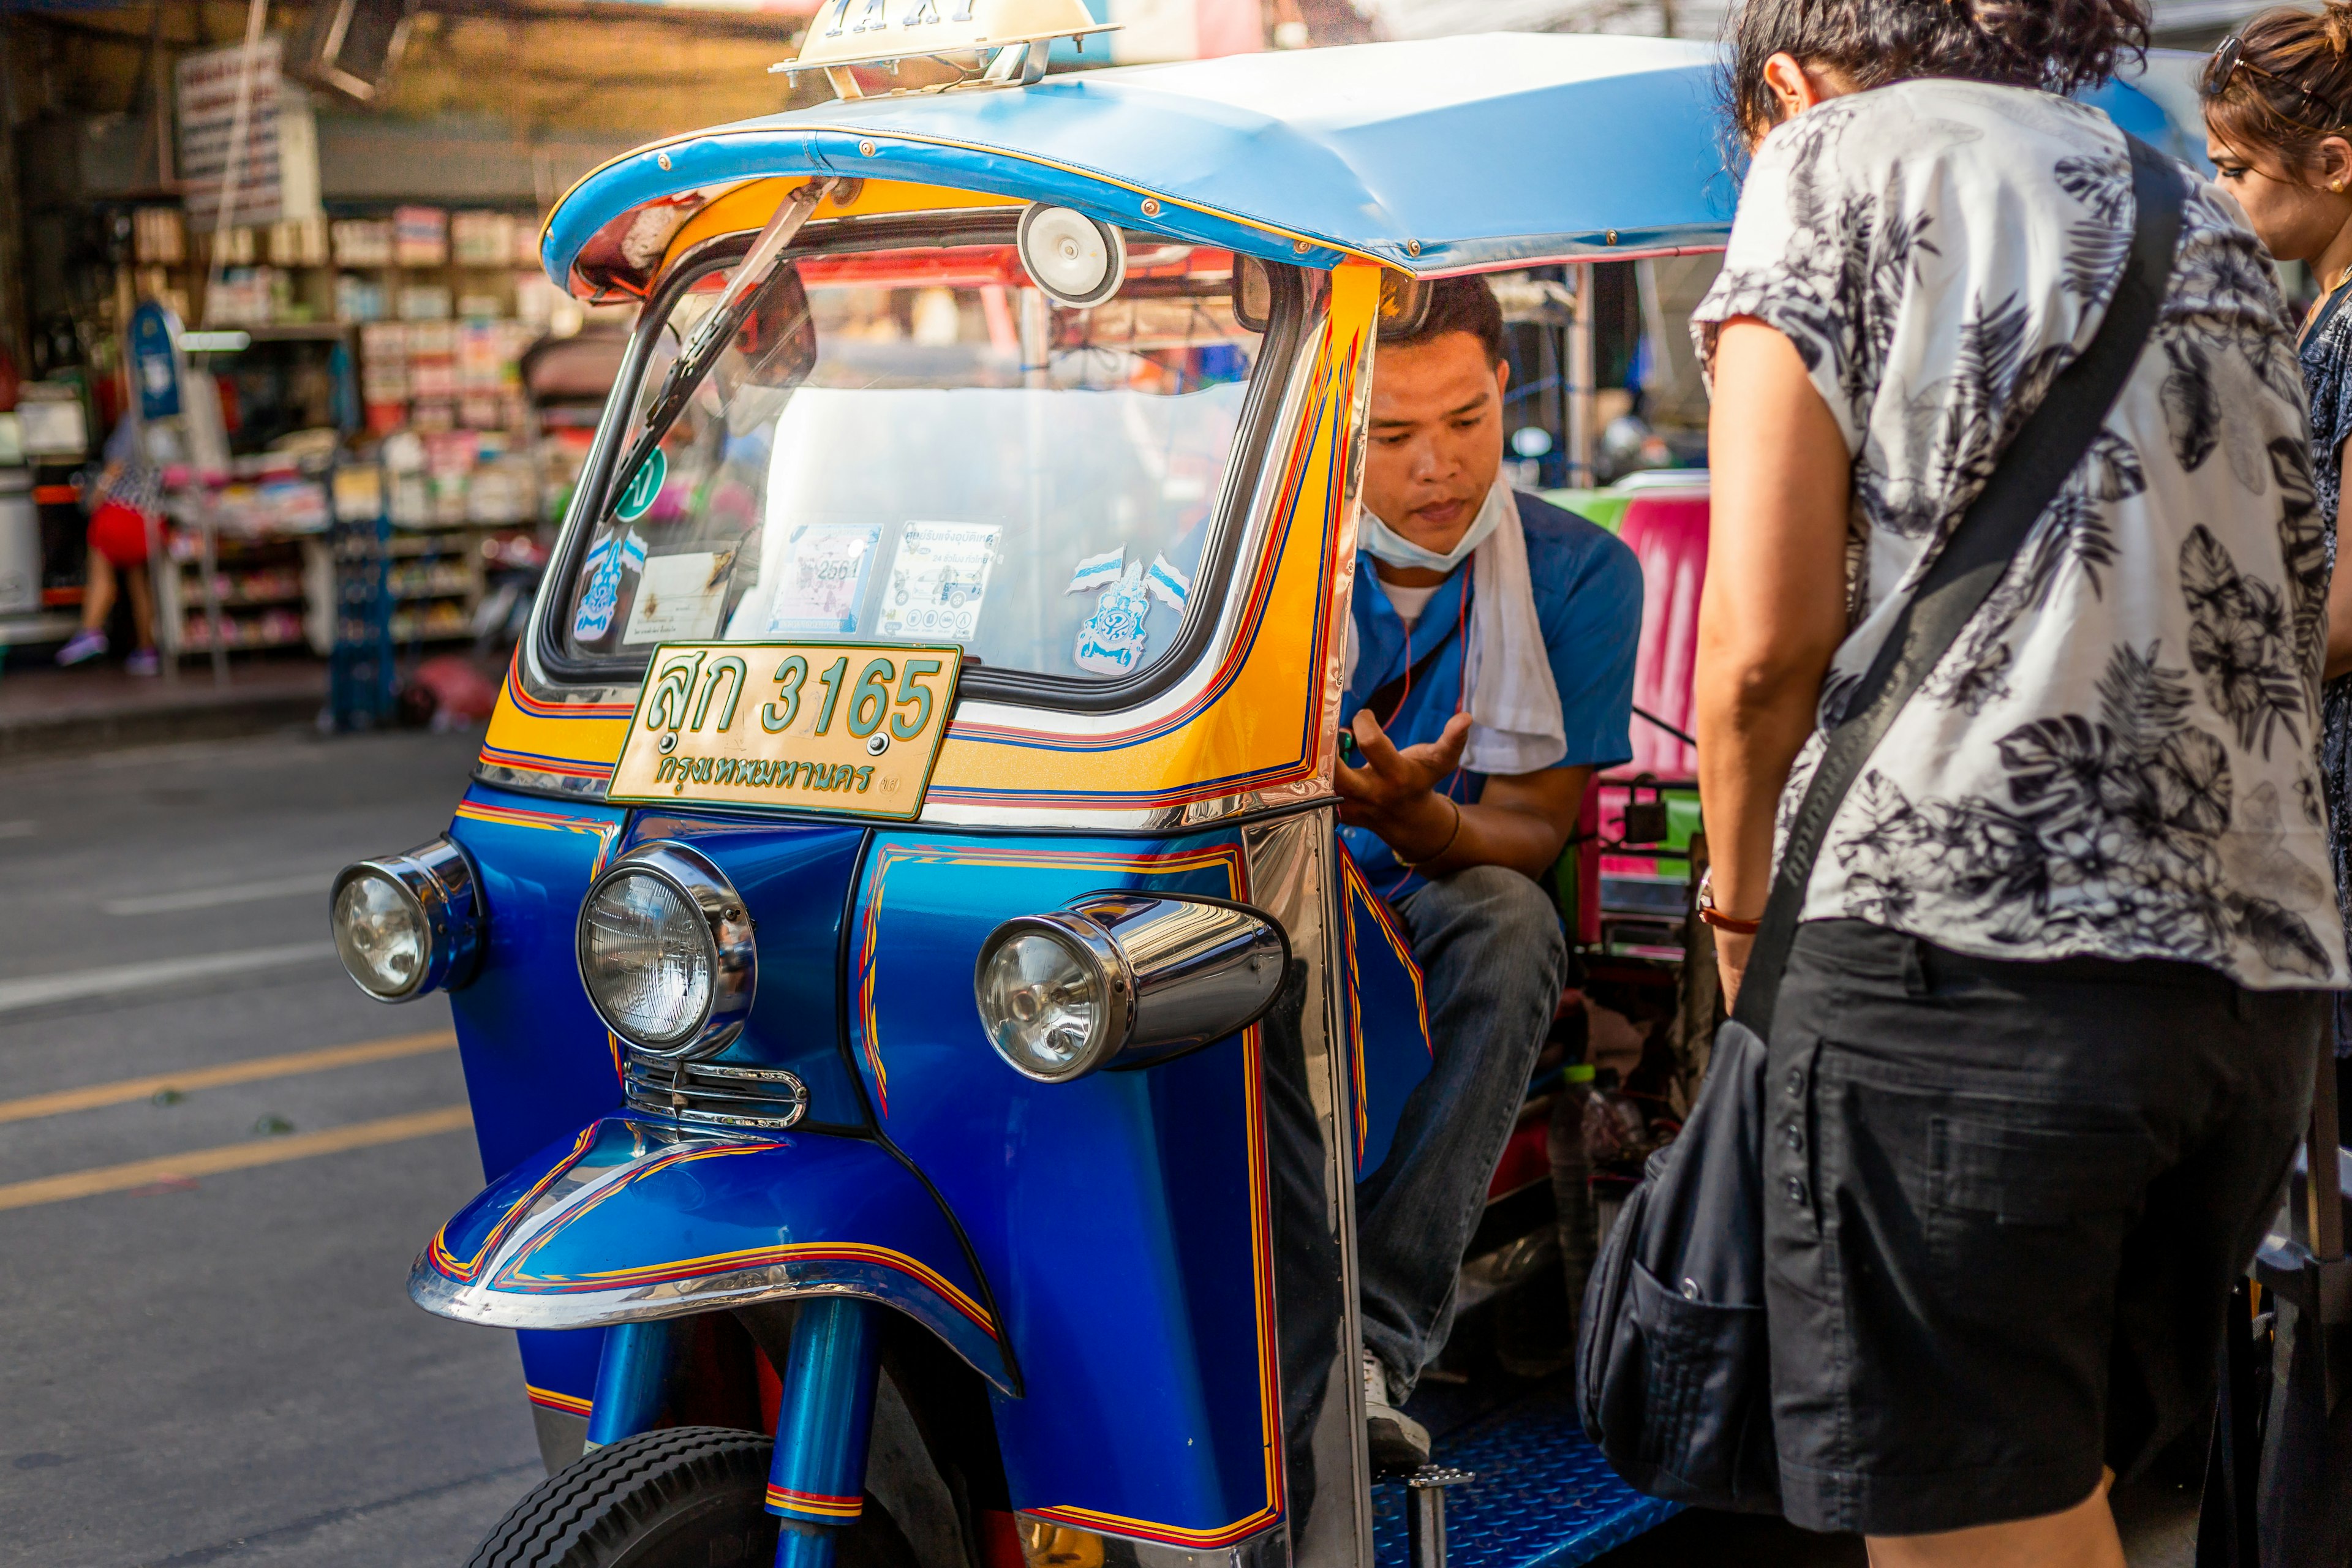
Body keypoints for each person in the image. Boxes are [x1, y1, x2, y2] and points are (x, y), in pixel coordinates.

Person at [1694, 1, 2345, 1561]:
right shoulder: (2180, 199)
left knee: (1967, 1527)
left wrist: (1732, 923)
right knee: (2075, 1508)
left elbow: (1760, 648)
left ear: (1783, 85)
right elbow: (2292, 585)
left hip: (1959, 963)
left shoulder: (1830, 157)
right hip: (2237, 996)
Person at [1334, 277, 1642, 1466]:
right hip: (1281, 865)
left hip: (1442, 884)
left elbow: (1531, 826)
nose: (1436, 467)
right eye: (1393, 436)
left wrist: (1422, 826)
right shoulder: (1268, 561)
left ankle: (1368, 1341)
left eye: (1464, 421)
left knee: (1512, 924)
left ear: (1505, 387)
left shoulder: (1581, 576)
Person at [2202, 4, 2352, 1150]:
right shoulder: (2317, 314)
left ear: (2335, 165)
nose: (2223, 196)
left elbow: (2347, 609)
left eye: (2237, 168)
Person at [56, 418, 160, 676]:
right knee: (140, 585)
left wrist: (95, 495)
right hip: (149, 515)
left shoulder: (131, 421)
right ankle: (147, 651)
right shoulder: (165, 422)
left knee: (101, 572)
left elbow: (115, 467)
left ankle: (91, 629)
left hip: (120, 511)